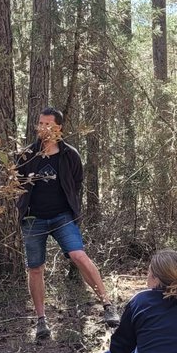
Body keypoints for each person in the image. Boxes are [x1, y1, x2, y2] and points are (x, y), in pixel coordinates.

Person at [15, 106, 119, 340]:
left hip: (62, 216)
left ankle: (107, 305)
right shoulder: (26, 155)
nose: (42, 128)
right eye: (39, 124)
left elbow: (76, 183)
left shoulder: (70, 155)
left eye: (47, 124)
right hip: (33, 219)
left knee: (78, 256)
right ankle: (41, 321)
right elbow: (18, 185)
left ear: (58, 127)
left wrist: (72, 211)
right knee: (35, 268)